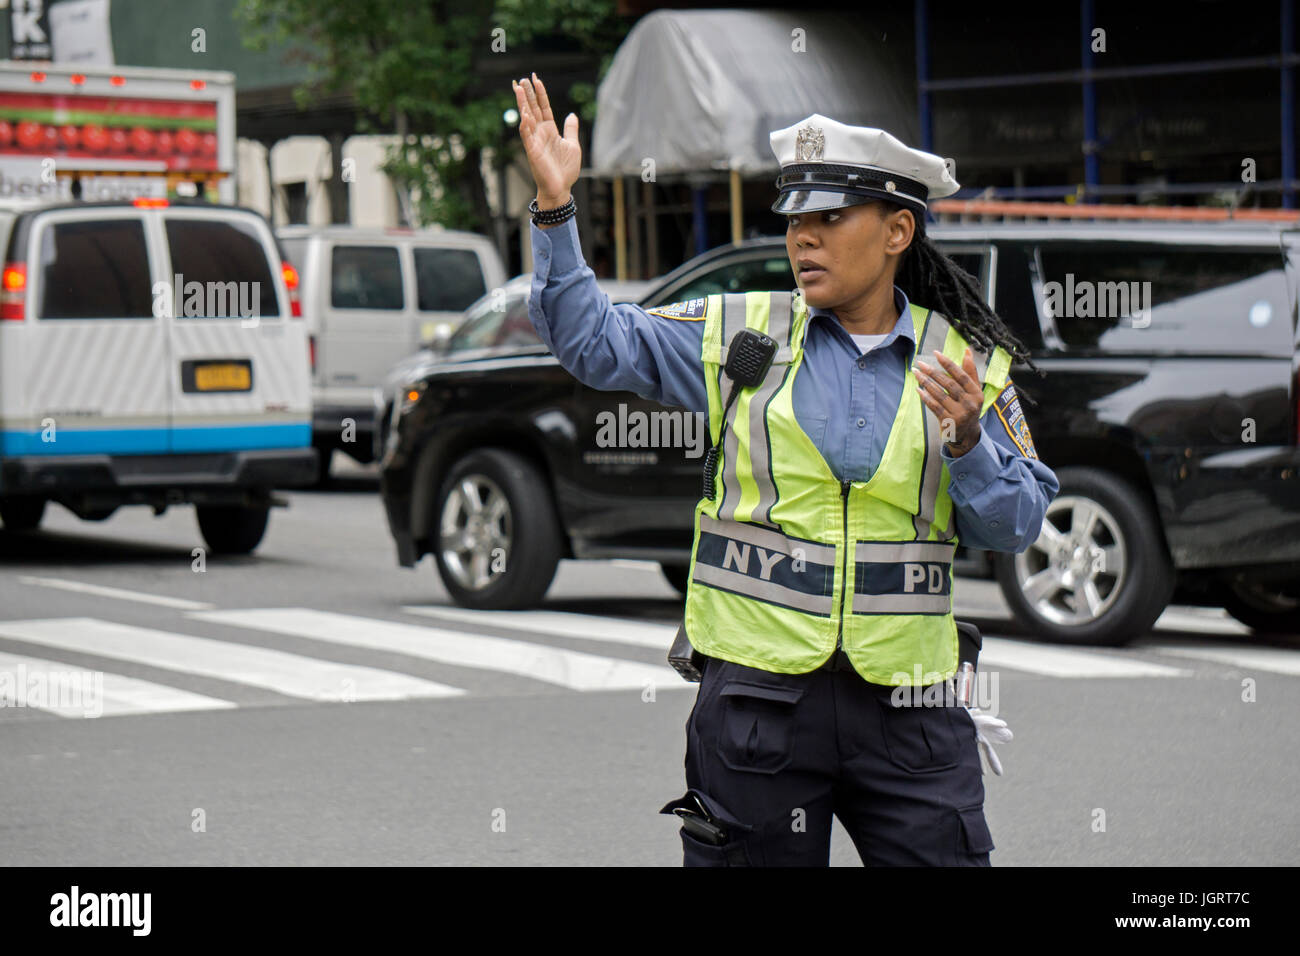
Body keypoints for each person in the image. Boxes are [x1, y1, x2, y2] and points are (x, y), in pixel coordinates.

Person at [512, 72, 1059, 866]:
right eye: (797, 220)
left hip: (913, 710)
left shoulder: (967, 364)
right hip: (757, 706)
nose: (804, 238)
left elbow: (1016, 529)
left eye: (831, 219)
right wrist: (557, 207)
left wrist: (969, 440)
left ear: (898, 231)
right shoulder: (744, 334)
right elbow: (590, 340)